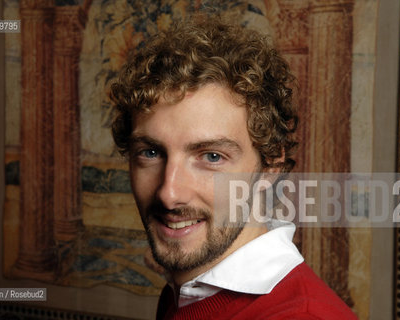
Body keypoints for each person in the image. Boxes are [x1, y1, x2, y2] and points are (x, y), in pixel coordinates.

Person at [109, 15, 358, 320]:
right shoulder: (186, 290)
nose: (169, 194)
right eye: (150, 152)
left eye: (211, 157)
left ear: (270, 166)